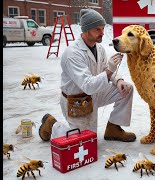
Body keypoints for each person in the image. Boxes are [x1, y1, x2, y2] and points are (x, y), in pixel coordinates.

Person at [38, 9, 136, 142]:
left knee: (127, 89)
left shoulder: (98, 48)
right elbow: (87, 86)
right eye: (97, 29)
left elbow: (106, 68)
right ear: (85, 30)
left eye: (102, 28)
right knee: (86, 141)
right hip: (77, 101)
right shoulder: (73, 54)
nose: (102, 33)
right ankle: (52, 124)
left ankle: (113, 128)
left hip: (95, 94)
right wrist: (109, 71)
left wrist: (118, 80)